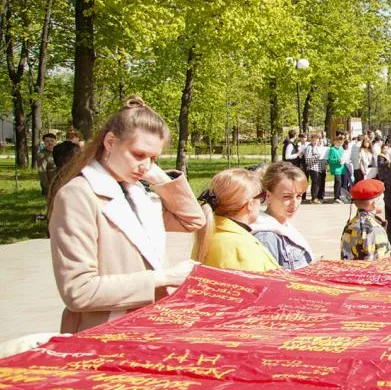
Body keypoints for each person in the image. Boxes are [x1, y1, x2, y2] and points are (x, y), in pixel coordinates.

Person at [48, 97, 203, 333]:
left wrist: (161, 179)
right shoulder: (78, 195)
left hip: (148, 327)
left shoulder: (138, 192)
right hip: (103, 332)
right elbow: (78, 291)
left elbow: (193, 219)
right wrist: (163, 278)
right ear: (110, 142)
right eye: (138, 154)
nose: (145, 166)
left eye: (153, 158)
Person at [194, 168, 280, 272]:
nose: (262, 202)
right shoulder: (241, 247)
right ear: (250, 204)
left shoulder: (211, 233)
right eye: (261, 197)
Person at [252, 162, 315, 271]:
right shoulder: (266, 236)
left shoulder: (283, 226)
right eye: (287, 196)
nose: (294, 202)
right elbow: (270, 282)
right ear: (268, 196)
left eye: (299, 196)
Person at [341, 178, 391, 261]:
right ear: (374, 204)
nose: (384, 201)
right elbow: (382, 263)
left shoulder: (351, 224)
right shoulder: (374, 229)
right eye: (382, 199)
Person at [301, 132, 326, 203]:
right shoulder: (309, 147)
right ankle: (314, 198)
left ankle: (316, 197)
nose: (315, 142)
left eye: (317, 141)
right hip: (312, 168)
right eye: (314, 140)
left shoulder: (317, 147)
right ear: (311, 140)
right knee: (315, 183)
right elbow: (308, 160)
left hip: (318, 168)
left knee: (318, 183)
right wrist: (317, 156)